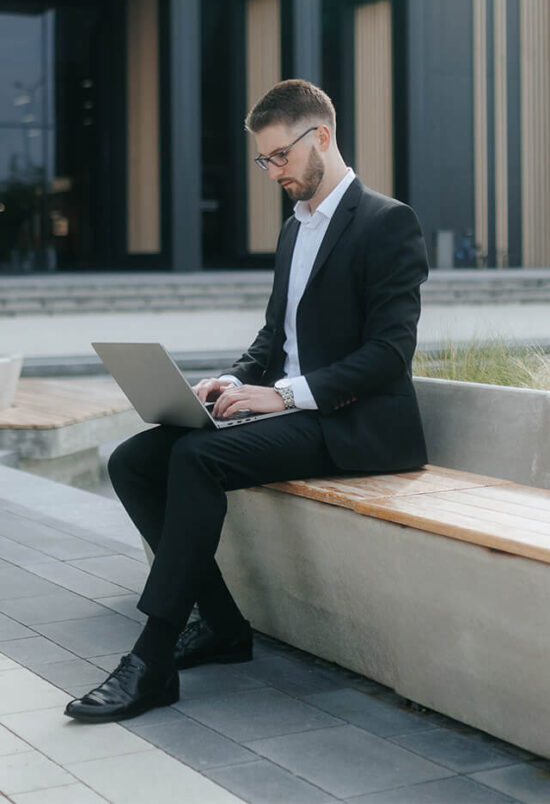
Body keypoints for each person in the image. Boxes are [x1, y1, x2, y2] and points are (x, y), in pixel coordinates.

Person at [65, 78, 429, 723]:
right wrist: (232, 382)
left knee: (196, 459)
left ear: (321, 136)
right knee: (132, 461)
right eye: (264, 161)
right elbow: (274, 335)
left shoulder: (387, 222)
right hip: (290, 413)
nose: (272, 173)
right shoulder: (295, 228)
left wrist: (282, 394)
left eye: (279, 157)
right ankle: (225, 626)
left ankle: (151, 658)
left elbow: (389, 354)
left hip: (353, 424)